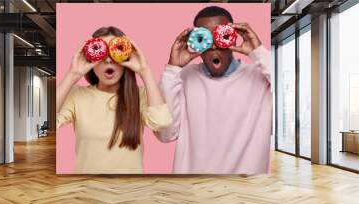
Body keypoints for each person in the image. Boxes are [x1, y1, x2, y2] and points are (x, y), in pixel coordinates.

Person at [155, 6, 272, 174]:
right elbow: (165, 135)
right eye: (204, 38)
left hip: (245, 193)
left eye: (222, 36)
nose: (214, 47)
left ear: (232, 38)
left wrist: (259, 52)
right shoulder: (183, 77)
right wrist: (172, 69)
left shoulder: (260, 79)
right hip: (193, 192)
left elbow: (294, 90)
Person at [57, 26, 172, 174]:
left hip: (130, 191)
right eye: (101, 53)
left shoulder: (141, 95)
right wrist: (72, 74)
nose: (108, 60)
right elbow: (49, 121)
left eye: (116, 52)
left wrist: (145, 70)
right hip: (86, 190)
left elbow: (161, 122)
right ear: (91, 60)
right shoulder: (76, 95)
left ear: (126, 59)